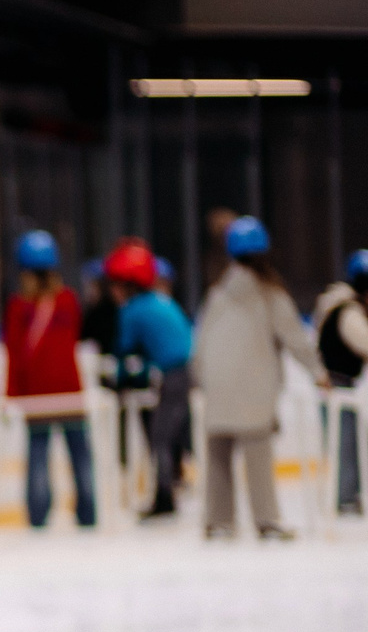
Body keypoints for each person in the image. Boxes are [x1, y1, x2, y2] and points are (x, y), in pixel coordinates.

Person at [192, 216, 325, 541]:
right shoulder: (270, 294)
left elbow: (200, 342)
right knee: (258, 455)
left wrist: (202, 379)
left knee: (218, 454)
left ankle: (218, 521)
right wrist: (318, 372)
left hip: (218, 386)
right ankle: (266, 520)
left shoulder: (217, 294)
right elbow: (295, 338)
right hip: (255, 386)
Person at [3, 230, 95, 529]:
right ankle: (88, 512)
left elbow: (14, 354)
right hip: (69, 390)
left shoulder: (18, 307)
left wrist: (11, 394)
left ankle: (38, 514)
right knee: (80, 454)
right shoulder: (67, 300)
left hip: (37, 393)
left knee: (38, 454)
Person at [104, 238, 195, 519]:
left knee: (160, 437)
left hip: (176, 375)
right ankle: (167, 489)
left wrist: (118, 381)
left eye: (115, 285)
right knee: (165, 434)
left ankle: (165, 497)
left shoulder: (133, 311)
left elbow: (125, 351)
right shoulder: (158, 301)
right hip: (183, 372)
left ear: (127, 285)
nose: (112, 292)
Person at [311, 249, 368, 516]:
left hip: (336, 383)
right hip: (337, 384)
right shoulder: (349, 309)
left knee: (345, 440)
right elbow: (363, 341)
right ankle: (345, 497)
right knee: (344, 441)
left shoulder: (337, 303)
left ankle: (347, 494)